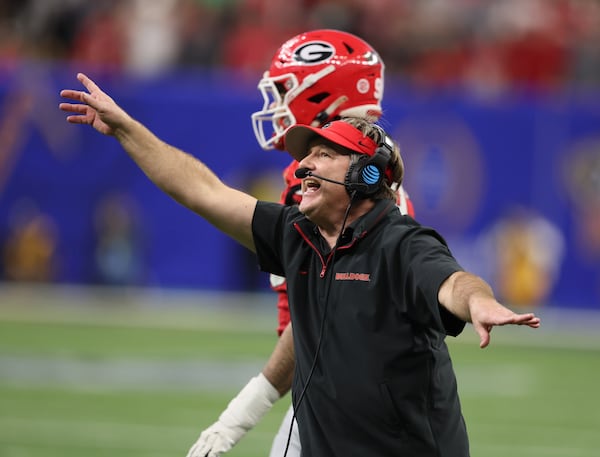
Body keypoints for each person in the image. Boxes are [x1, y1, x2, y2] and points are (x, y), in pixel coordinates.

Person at [59, 75, 541, 456]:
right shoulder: (295, 231)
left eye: (323, 155)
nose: (305, 166)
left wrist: (479, 302)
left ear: (365, 173)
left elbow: (453, 281)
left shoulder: (401, 243)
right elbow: (200, 190)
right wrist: (125, 128)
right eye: (306, 155)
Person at [187, 29, 416, 457]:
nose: (275, 104)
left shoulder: (348, 194)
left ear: (323, 98)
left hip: (350, 399)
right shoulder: (349, 178)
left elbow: (319, 321)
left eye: (285, 90)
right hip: (353, 389)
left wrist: (237, 418)